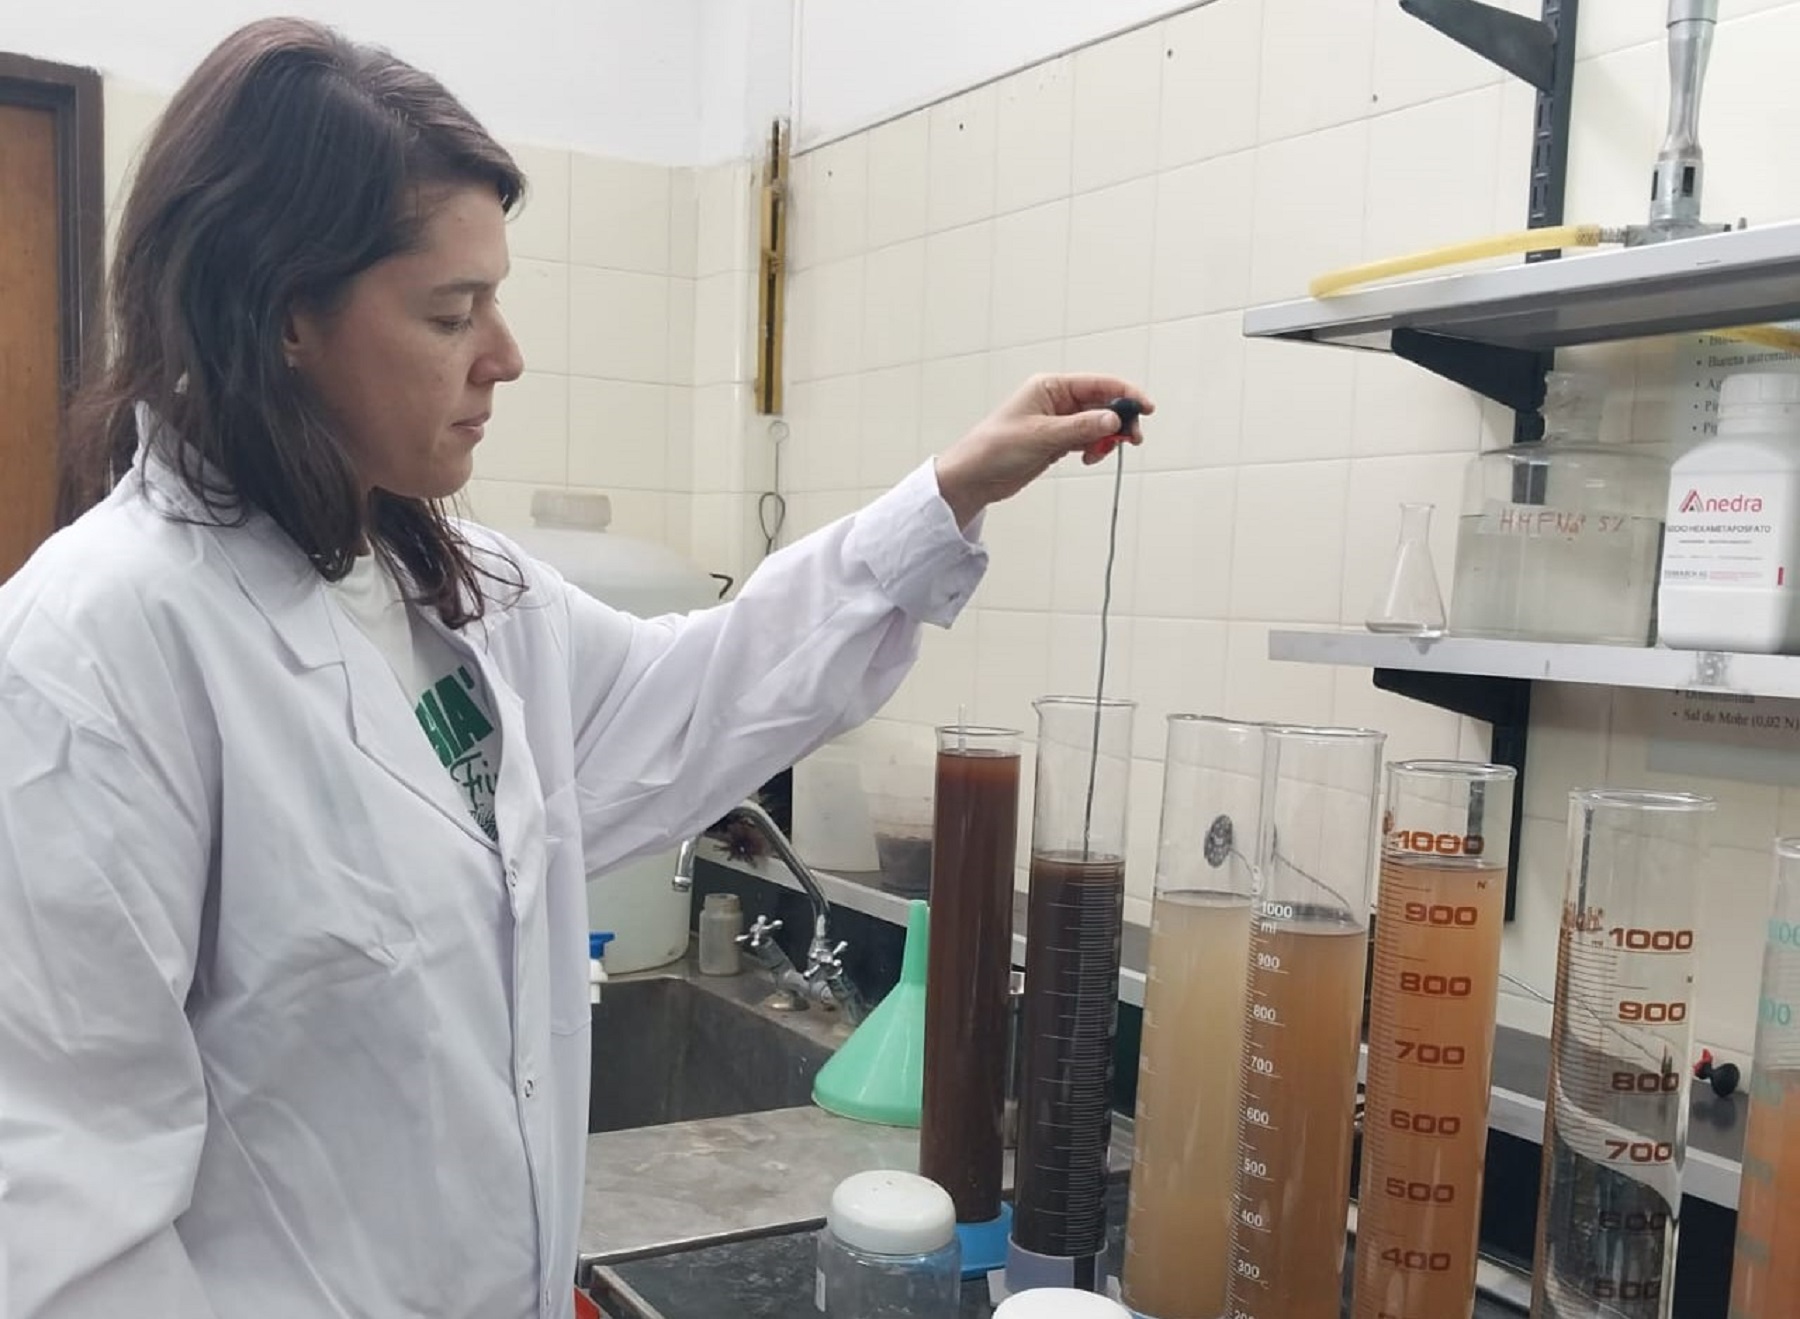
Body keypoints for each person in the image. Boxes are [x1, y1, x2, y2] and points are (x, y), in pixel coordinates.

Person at [0, 16, 1150, 1319]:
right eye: (452, 312)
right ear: (281, 319)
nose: (505, 354)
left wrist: (948, 492)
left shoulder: (444, 584)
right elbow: (65, 1224)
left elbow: (693, 698)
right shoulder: (98, 653)